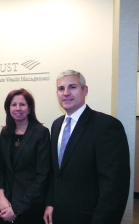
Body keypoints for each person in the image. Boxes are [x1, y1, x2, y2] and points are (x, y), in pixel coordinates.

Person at [43, 70, 130, 224]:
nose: (66, 93)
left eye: (73, 87)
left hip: (89, 217)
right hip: (59, 213)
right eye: (61, 89)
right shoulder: (56, 125)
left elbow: (114, 186)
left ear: (85, 90)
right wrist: (50, 202)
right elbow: (56, 173)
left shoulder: (106, 126)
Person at [0, 88, 51, 224]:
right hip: (4, 197)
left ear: (29, 109)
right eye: (13, 105)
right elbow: (0, 167)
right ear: (8, 108)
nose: (18, 108)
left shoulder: (41, 133)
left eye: (22, 104)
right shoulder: (5, 133)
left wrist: (17, 209)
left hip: (29, 202)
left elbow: (42, 176)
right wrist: (0, 196)